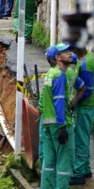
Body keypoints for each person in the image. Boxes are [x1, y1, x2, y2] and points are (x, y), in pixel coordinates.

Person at [38, 46, 85, 166]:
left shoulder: (53, 74)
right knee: (63, 154)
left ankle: (48, 178)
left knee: (48, 152)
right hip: (64, 116)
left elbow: (55, 100)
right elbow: (82, 87)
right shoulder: (68, 73)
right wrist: (73, 103)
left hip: (53, 118)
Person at [41, 43, 76, 189]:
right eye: (65, 51)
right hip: (59, 124)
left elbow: (42, 101)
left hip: (47, 124)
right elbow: (59, 101)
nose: (70, 53)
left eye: (70, 50)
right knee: (64, 163)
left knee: (48, 162)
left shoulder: (50, 73)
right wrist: (62, 126)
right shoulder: (60, 75)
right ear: (57, 57)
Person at [70, 48, 94, 185]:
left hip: (84, 106)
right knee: (83, 137)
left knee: (81, 139)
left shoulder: (85, 64)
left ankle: (78, 173)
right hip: (86, 106)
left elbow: (87, 90)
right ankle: (85, 169)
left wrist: (74, 102)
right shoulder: (86, 59)